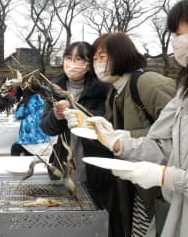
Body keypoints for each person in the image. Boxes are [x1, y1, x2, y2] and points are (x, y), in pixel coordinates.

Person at [84, 0, 188, 237]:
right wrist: (120, 144)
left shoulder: (150, 83)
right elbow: (166, 147)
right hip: (178, 216)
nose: (175, 42)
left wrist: (166, 177)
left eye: (179, 34)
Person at [67, 32, 175, 237]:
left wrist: (122, 137)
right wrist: (89, 127)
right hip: (135, 186)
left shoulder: (149, 83)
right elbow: (111, 137)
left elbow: (179, 134)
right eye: (95, 58)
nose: (97, 63)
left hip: (160, 185)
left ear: (121, 54)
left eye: (103, 56)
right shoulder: (114, 92)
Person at [40, 41, 110, 189]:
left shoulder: (103, 89)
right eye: (68, 58)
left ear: (89, 64)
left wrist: (74, 110)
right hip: (63, 159)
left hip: (94, 162)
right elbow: (46, 128)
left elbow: (107, 121)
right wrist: (56, 116)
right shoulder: (55, 88)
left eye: (79, 59)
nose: (72, 64)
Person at [11, 85, 50, 156]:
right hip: (44, 139)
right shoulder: (44, 102)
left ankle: (15, 165)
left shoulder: (27, 103)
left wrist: (21, 104)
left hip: (29, 140)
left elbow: (18, 115)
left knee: (15, 148)